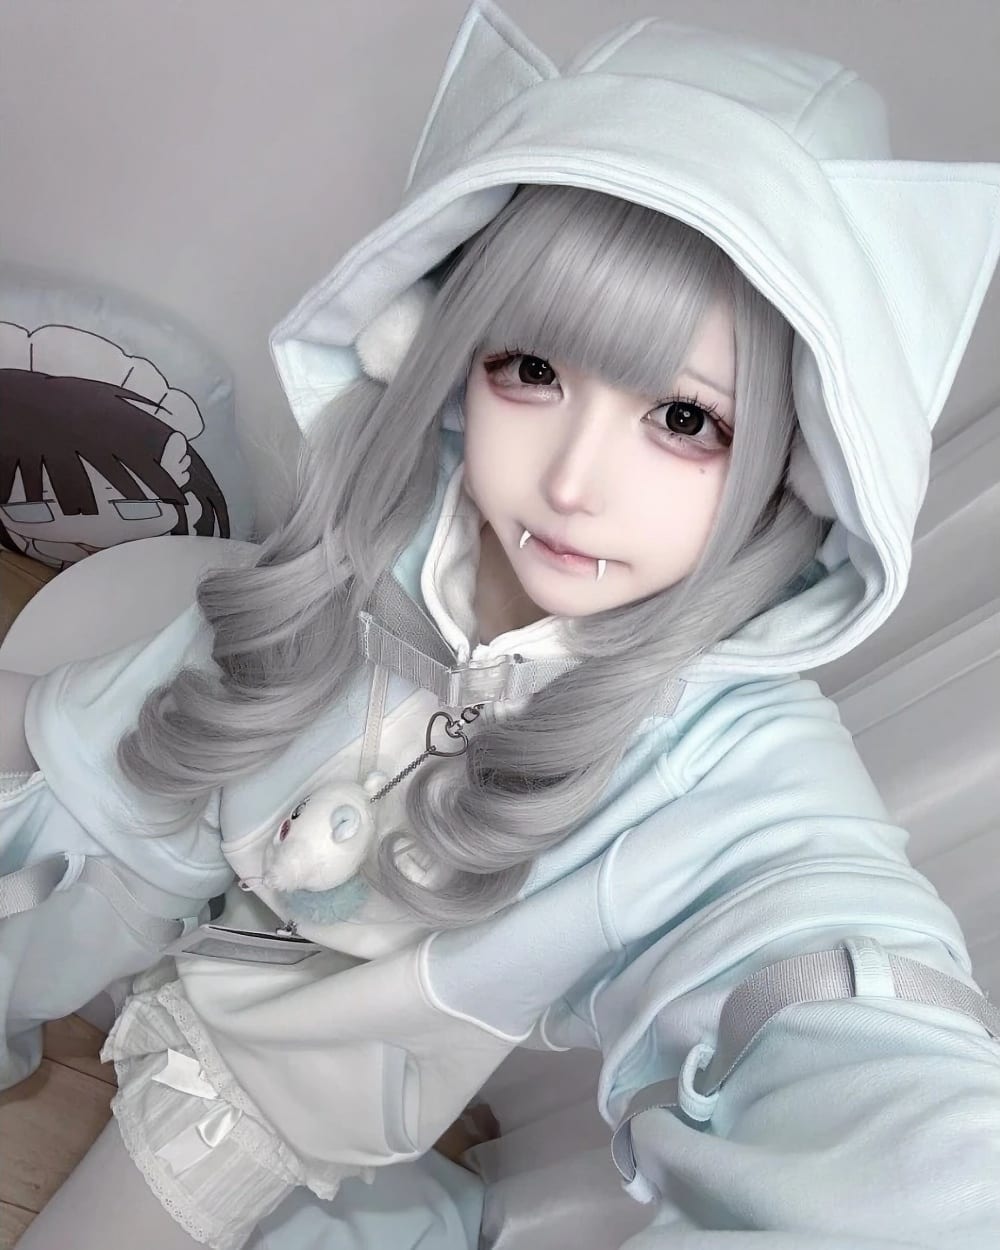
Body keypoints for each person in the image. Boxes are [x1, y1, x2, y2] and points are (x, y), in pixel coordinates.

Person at [3, 3, 1000, 1247]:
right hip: (161, 840)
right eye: (532, 368)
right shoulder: (395, 500)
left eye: (684, 419)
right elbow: (150, 710)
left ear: (785, 467)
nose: (572, 480)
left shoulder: (723, 757)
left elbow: (839, 986)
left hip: (272, 1073)